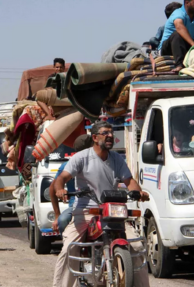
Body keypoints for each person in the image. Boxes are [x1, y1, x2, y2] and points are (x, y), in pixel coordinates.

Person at [52, 121, 150, 287]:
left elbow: (129, 181)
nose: (110, 135)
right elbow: (61, 178)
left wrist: (138, 192)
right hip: (86, 210)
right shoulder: (81, 158)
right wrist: (60, 189)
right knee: (70, 247)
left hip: (113, 210)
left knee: (137, 246)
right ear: (95, 138)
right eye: (105, 133)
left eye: (111, 133)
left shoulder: (117, 158)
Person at [50, 134, 93, 234]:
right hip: (77, 206)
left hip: (100, 204)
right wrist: (57, 216)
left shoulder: (102, 162)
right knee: (63, 220)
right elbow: (52, 188)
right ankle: (69, 245)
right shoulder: (68, 165)